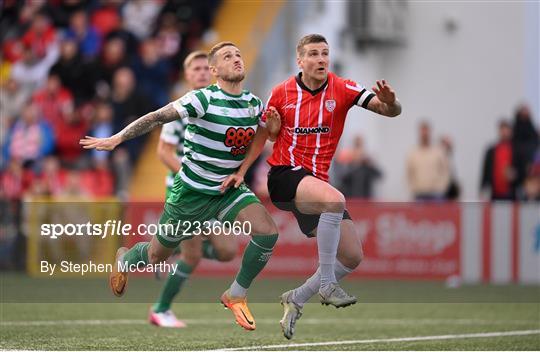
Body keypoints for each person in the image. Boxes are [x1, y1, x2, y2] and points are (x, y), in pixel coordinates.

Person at [80, 41, 280, 332]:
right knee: (156, 255)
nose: (236, 59)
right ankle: (126, 259)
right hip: (191, 194)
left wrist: (245, 166)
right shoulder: (202, 99)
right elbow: (157, 117)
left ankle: (236, 294)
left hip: (227, 190)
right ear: (214, 70)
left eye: (238, 54)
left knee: (267, 232)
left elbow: (265, 132)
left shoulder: (253, 103)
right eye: (227, 56)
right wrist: (118, 138)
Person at [221, 34, 401, 339]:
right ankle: (328, 284)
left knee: (353, 257)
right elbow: (263, 135)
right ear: (300, 60)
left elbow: (388, 111)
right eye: (314, 54)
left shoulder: (343, 87)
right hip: (284, 176)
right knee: (335, 200)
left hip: (315, 187)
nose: (321, 59)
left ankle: (298, 297)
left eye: (325, 54)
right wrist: (242, 171)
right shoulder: (282, 92)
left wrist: (390, 102)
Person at [149, 51, 236, 328]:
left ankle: (169, 252)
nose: (200, 72)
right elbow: (164, 152)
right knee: (193, 255)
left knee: (226, 251)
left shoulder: (219, 104)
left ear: (211, 71)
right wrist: (192, 177)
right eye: (194, 68)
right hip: (187, 191)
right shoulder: (182, 107)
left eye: (203, 68)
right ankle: (160, 310)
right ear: (187, 75)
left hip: (212, 191)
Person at [406, 121, 450, 201]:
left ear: (430, 132)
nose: (425, 135)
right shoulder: (413, 153)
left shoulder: (439, 151)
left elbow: (445, 171)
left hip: (436, 194)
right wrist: (413, 188)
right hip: (419, 194)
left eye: (426, 132)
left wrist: (442, 187)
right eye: (423, 132)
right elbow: (409, 173)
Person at [480, 120, 516, 200]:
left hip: (511, 193)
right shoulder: (491, 150)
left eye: (506, 130)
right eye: (502, 130)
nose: (504, 133)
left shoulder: (516, 150)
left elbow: (521, 170)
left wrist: (514, 174)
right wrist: (482, 188)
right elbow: (485, 171)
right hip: (494, 193)